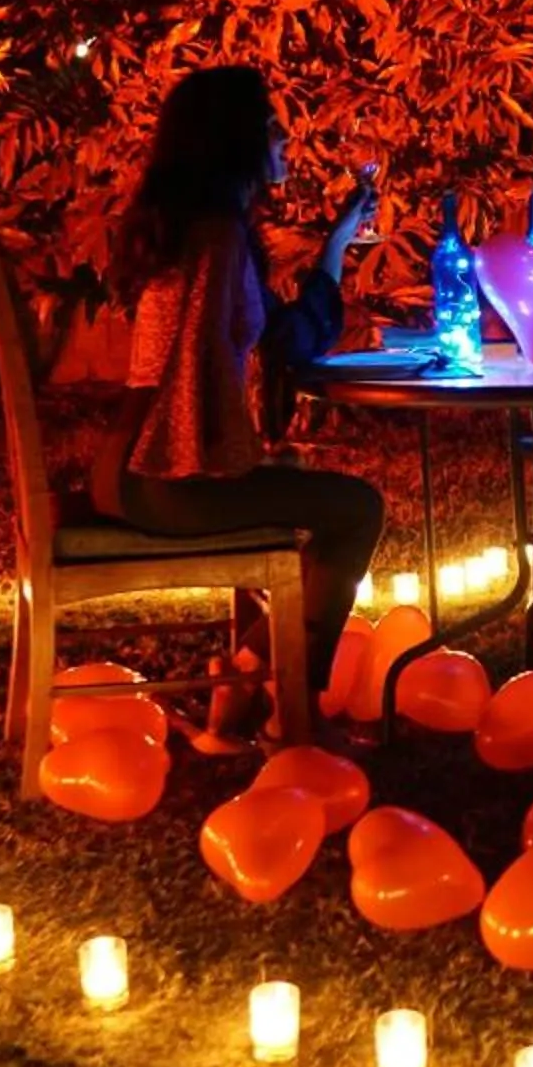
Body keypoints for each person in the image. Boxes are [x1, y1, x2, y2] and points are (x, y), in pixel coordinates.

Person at [91, 65, 382, 747]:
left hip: (129, 467)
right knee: (357, 509)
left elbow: (280, 337)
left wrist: (335, 245)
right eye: (270, 124)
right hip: (165, 476)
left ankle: (246, 679)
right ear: (232, 138)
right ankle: (286, 709)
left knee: (325, 503)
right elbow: (194, 367)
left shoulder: (202, 228)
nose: (285, 136)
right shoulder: (215, 238)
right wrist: (233, 457)